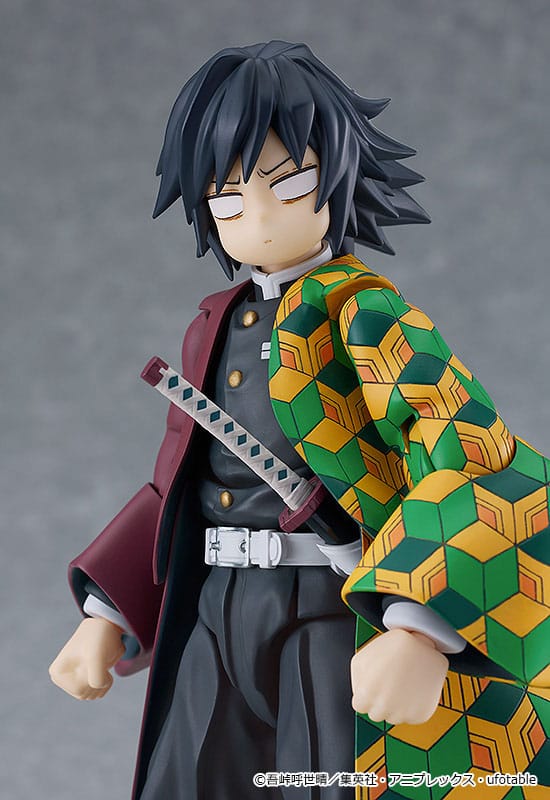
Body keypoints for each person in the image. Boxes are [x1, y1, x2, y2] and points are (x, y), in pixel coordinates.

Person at [50, 42, 549, 799]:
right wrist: (109, 611)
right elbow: (178, 482)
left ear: (339, 176)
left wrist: (419, 625)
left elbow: (473, 455)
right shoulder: (216, 323)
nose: (257, 217)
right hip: (215, 605)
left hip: (329, 606)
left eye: (290, 184)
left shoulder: (366, 315)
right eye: (226, 198)